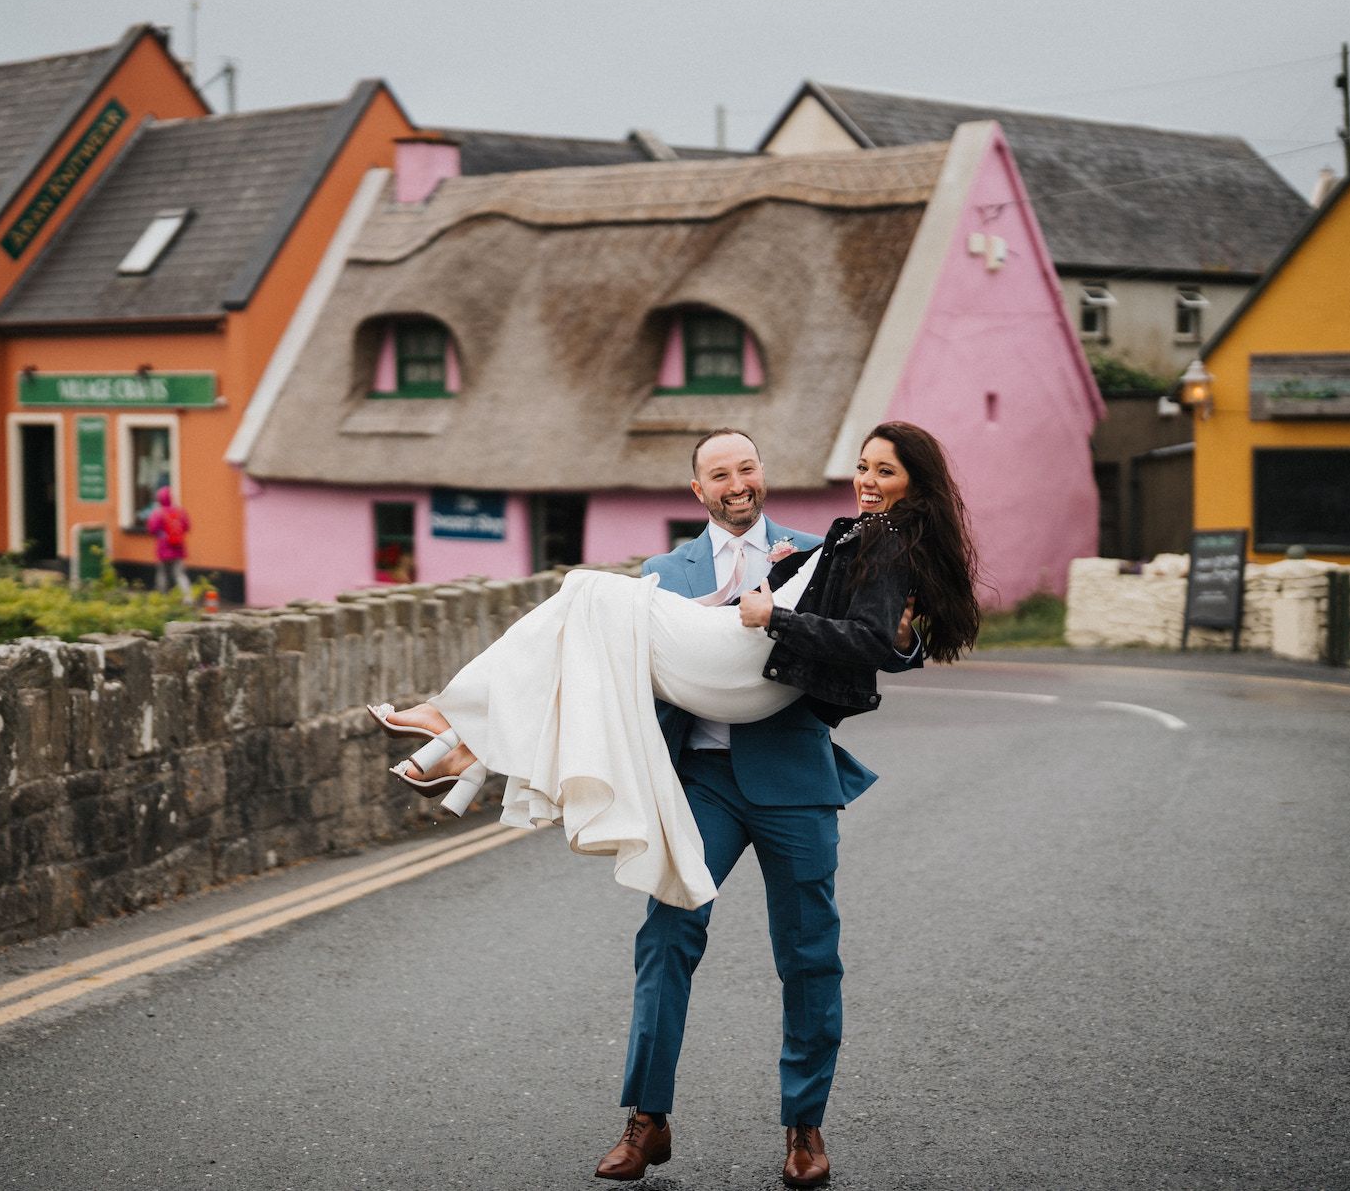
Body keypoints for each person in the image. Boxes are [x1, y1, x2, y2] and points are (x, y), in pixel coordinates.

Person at [370, 422, 980, 1188]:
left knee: (809, 956)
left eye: (748, 467)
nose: (737, 483)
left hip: (793, 773)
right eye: (719, 474)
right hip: (699, 777)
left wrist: (906, 639)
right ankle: (646, 1120)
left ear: (764, 473)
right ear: (698, 491)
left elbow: (882, 634)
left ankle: (804, 1127)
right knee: (666, 939)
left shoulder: (829, 546)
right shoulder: (661, 573)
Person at [144, 485, 192, 597]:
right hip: (178, 547)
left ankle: (163, 597)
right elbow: (187, 526)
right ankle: (188, 597)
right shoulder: (180, 512)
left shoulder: (158, 513)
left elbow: (152, 529)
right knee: (180, 574)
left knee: (163, 573)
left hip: (163, 548)